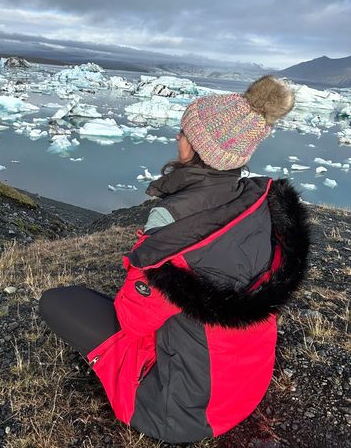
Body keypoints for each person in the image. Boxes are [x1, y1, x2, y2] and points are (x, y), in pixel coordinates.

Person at [39, 75, 311, 444]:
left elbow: (133, 321)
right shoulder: (260, 202)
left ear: (197, 148)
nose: (177, 138)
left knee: (58, 302)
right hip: (244, 387)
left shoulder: (173, 222)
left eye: (184, 132)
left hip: (183, 413)